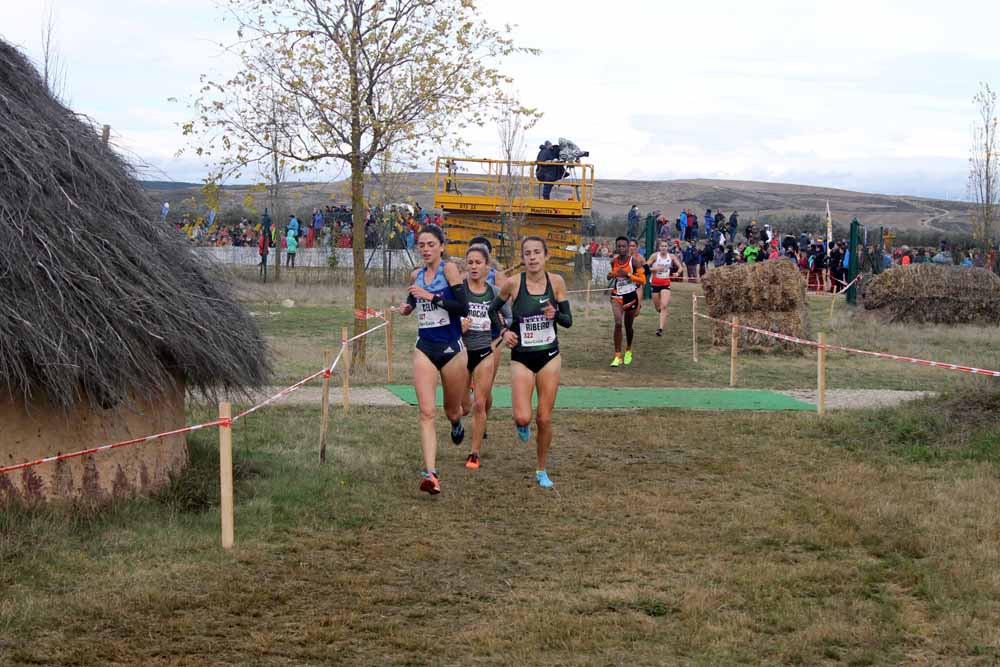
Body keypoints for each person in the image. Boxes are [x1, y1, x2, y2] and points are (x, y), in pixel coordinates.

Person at [490, 237, 571, 489]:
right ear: (522, 258)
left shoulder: (556, 282)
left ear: (546, 256)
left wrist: (555, 314)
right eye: (527, 253)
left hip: (549, 356)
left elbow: (568, 321)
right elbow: (493, 310)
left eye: (537, 252)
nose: (533, 257)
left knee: (544, 419)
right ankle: (521, 425)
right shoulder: (513, 284)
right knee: (523, 417)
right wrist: (504, 332)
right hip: (522, 357)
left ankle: (541, 469)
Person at [397, 225, 470, 495]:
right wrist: (406, 308)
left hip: (451, 348)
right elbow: (412, 304)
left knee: (453, 410)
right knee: (427, 412)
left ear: (441, 246)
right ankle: (431, 474)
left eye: (430, 244)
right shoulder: (416, 274)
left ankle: (456, 424)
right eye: (421, 244)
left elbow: (462, 308)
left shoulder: (449, 270)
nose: (426, 249)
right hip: (424, 348)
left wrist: (432, 297)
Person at [460, 244, 501, 470]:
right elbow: (448, 314)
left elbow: (508, 317)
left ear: (487, 266)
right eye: (470, 262)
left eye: (478, 263)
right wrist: (459, 324)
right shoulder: (460, 290)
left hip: (485, 350)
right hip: (462, 352)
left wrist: (503, 329)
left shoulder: (493, 292)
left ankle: (474, 453)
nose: (474, 266)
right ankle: (457, 424)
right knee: (462, 407)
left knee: (479, 403)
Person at [607, 236, 645, 367]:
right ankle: (617, 356)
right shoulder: (614, 261)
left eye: (624, 246)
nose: (622, 248)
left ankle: (628, 349)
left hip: (630, 296)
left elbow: (642, 280)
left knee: (628, 326)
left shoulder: (634, 262)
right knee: (618, 323)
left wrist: (628, 275)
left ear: (628, 247)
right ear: (616, 247)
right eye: (619, 246)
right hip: (617, 295)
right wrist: (610, 275)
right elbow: (612, 275)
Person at [646, 239, 676, 336]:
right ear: (659, 247)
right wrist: (655, 269)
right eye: (662, 246)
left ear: (668, 248)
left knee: (664, 306)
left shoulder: (671, 257)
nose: (663, 248)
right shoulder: (655, 256)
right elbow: (645, 268)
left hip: (666, 283)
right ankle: (663, 313)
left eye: (665, 246)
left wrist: (677, 273)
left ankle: (660, 329)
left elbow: (679, 267)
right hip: (655, 283)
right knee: (658, 307)